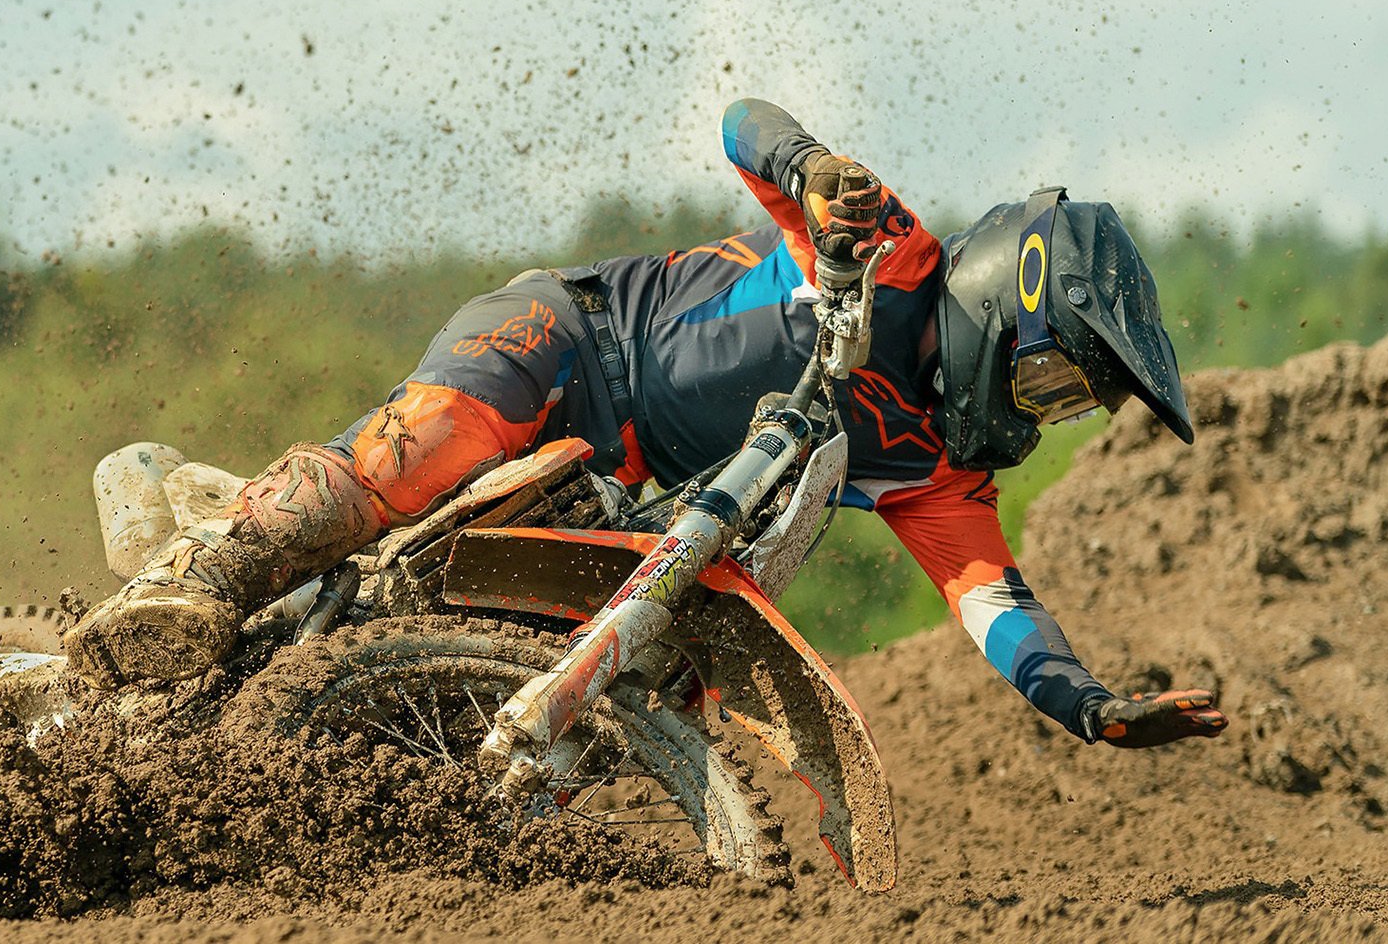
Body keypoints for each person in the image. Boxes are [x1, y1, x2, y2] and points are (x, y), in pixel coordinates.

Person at [63, 98, 1229, 750]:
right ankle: (196, 587)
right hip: (562, 347)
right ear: (999, 310)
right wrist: (811, 166)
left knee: (640, 688)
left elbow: (993, 606)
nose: (1048, 415)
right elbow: (739, 123)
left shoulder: (937, 472)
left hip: (610, 492)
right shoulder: (887, 244)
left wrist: (1087, 706)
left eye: (1070, 406)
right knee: (411, 462)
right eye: (1054, 385)